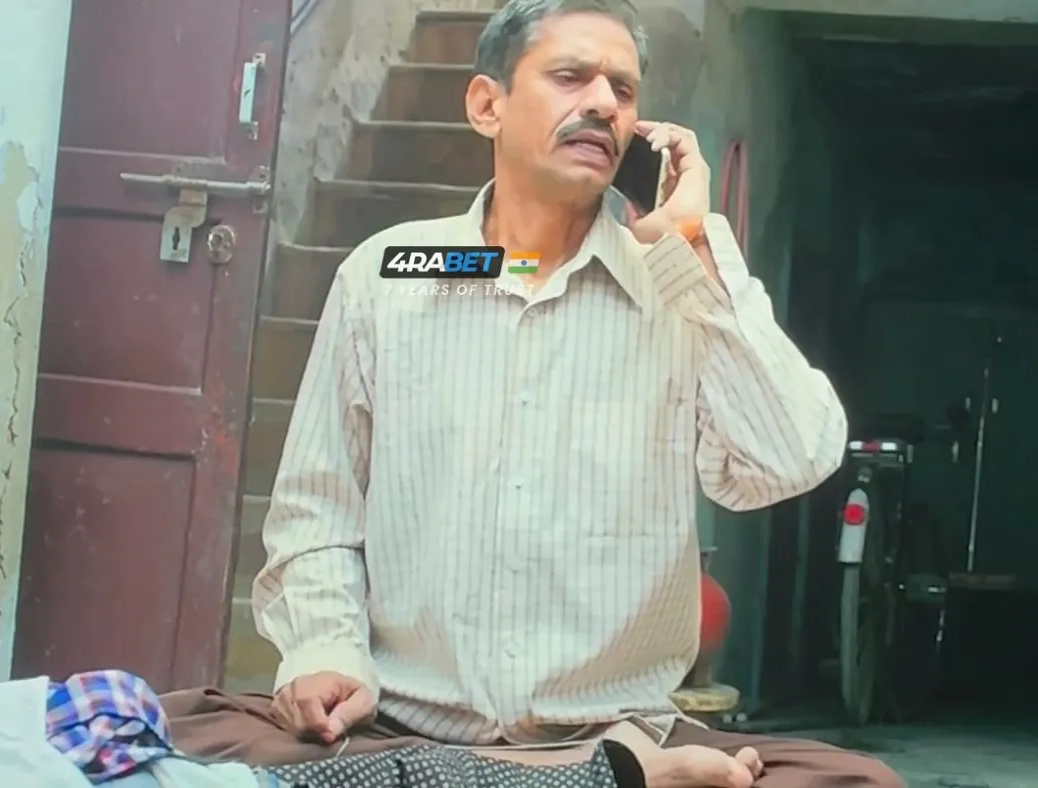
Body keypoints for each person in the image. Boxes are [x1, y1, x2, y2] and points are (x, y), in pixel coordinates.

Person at [160, 0, 901, 786]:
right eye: (571, 76)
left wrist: (692, 246)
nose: (604, 104)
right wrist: (324, 653)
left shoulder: (678, 289)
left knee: (857, 784)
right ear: (488, 105)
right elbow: (318, 511)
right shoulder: (391, 275)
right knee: (165, 735)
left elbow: (792, 457)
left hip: (621, 744)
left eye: (623, 89)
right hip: (405, 737)